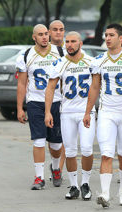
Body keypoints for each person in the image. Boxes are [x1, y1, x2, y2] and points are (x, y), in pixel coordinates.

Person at [83, 23, 122, 208]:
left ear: (121, 39)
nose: (108, 38)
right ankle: (104, 193)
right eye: (106, 35)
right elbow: (94, 87)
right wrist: (88, 112)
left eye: (112, 35)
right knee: (106, 154)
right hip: (106, 113)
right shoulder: (99, 60)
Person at [44, 31, 95, 200]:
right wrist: (47, 112)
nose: (70, 44)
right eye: (67, 42)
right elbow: (50, 88)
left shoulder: (90, 61)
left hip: (86, 112)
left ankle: (85, 183)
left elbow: (97, 86)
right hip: (67, 112)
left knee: (87, 148)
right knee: (71, 151)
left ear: (80, 43)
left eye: (73, 41)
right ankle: (74, 186)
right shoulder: (60, 63)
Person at [16, 24, 63, 190]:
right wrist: (20, 108)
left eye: (46, 34)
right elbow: (22, 83)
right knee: (39, 140)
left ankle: (56, 168)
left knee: (56, 144)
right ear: (33, 37)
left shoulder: (59, 52)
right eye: (40, 34)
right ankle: (39, 177)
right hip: (35, 102)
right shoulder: (26, 55)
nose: (44, 37)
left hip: (57, 101)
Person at [48, 19, 66, 182]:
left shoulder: (70, 50)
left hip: (67, 101)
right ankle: (55, 165)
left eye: (61, 29)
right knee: (53, 138)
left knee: (66, 137)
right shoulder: (44, 50)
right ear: (49, 32)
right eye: (55, 29)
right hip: (50, 100)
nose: (58, 32)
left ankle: (58, 169)